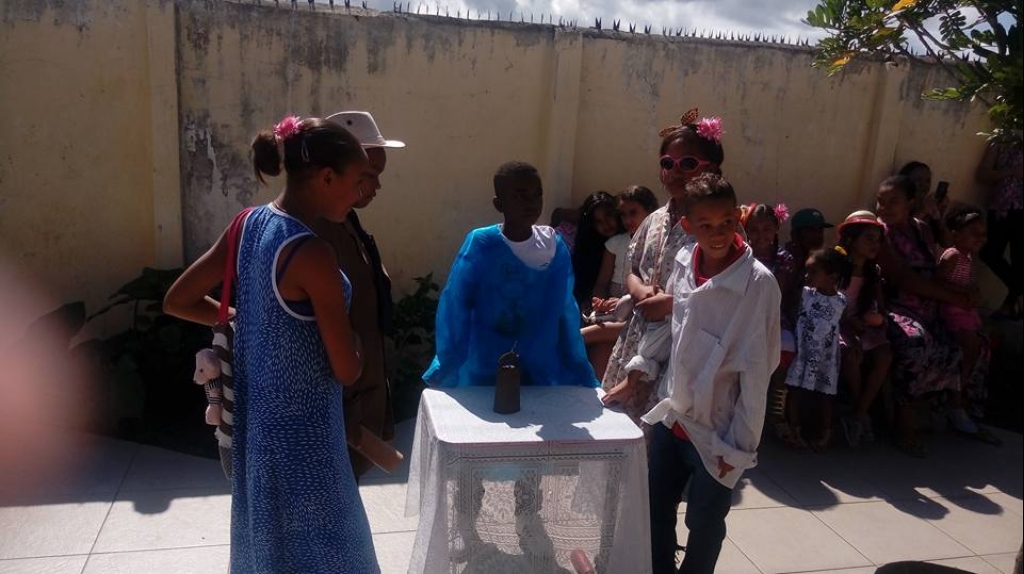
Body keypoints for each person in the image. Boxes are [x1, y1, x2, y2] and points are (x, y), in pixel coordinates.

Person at [164, 116, 379, 572]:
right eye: (358, 180)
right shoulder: (312, 253)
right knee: (336, 558)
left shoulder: (247, 225)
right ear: (326, 178)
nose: (362, 192)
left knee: (272, 557)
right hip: (309, 444)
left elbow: (178, 299)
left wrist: (248, 319)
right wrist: (357, 341)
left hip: (258, 437)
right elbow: (346, 369)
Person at [640, 173, 781, 574]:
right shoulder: (685, 261)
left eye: (726, 223)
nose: (717, 234)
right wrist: (640, 367)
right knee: (655, 507)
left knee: (704, 522)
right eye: (705, 225)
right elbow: (672, 329)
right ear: (688, 225)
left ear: (738, 218)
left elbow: (759, 372)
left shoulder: (758, 284)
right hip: (673, 418)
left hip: (718, 435)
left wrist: (739, 448)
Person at [600, 108, 725, 429]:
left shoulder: (720, 227)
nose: (675, 171)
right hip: (638, 338)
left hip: (683, 345)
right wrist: (640, 291)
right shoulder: (654, 220)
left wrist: (671, 304)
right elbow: (632, 268)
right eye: (668, 163)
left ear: (711, 168)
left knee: (660, 430)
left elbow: (726, 292)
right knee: (620, 426)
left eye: (688, 163)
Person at [423, 161, 598, 388]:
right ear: (499, 204)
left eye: (537, 195)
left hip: (540, 368)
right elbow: (456, 305)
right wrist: (446, 363)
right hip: (485, 366)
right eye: (520, 196)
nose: (531, 203)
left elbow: (565, 308)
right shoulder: (482, 244)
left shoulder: (553, 246)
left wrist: (577, 364)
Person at [875, 175, 992, 457]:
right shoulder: (880, 233)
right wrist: (954, 297)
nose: (884, 208)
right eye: (880, 201)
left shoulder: (923, 229)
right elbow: (902, 278)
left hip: (932, 305)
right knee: (914, 343)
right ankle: (903, 423)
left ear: (910, 203)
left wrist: (964, 295)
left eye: (893, 201)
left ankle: (956, 408)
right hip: (897, 306)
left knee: (976, 341)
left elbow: (941, 266)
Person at [315, 110, 404, 480]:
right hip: (336, 414)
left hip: (361, 404)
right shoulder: (314, 234)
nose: (377, 186)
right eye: (370, 175)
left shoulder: (346, 220)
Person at [582, 185, 659, 379]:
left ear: (650, 211)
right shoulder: (615, 243)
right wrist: (598, 302)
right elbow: (602, 281)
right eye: (623, 215)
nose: (627, 220)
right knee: (600, 348)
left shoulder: (657, 242)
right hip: (613, 309)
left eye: (633, 213)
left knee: (588, 335)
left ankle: (571, 340)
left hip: (637, 310)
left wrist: (625, 302)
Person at [740, 203, 796, 441]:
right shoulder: (740, 255)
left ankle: (776, 413)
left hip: (773, 318)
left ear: (776, 229)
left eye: (766, 229)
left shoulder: (783, 258)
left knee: (785, 347)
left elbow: (776, 292)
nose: (760, 235)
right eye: (753, 229)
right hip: (743, 317)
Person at [783, 247, 849, 451]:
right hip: (803, 353)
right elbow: (794, 314)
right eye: (807, 271)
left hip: (825, 357)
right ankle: (794, 430)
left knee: (825, 395)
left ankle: (825, 434)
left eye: (813, 272)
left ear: (832, 277)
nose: (807, 276)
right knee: (795, 391)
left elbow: (841, 325)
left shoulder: (841, 302)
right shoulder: (805, 295)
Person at [835, 211, 891, 448]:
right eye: (868, 238)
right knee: (852, 355)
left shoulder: (872, 272)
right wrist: (848, 324)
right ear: (850, 238)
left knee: (884, 354)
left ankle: (859, 413)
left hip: (859, 325)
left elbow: (880, 306)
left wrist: (876, 319)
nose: (874, 244)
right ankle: (859, 410)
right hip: (836, 325)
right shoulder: (836, 268)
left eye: (877, 240)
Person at [938, 206, 988, 422]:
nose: (981, 238)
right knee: (970, 346)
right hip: (952, 311)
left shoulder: (967, 257)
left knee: (978, 344)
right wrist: (963, 292)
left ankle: (963, 387)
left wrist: (973, 292)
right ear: (956, 235)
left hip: (963, 309)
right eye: (974, 233)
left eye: (983, 234)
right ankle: (956, 394)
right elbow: (939, 282)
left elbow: (966, 283)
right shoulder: (952, 255)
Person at [976, 144, 1023, 320]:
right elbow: (982, 175)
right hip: (1000, 207)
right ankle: (1018, 296)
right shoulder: (1000, 140)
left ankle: (1008, 306)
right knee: (988, 252)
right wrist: (1011, 172)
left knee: (1020, 262)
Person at [572, 191, 625, 310]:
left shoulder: (631, 240)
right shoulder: (589, 249)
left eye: (608, 216)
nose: (606, 224)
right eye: (598, 221)